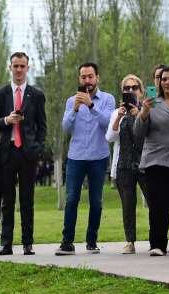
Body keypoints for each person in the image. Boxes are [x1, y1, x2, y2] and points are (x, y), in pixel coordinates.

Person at [0, 52, 47, 256]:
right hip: (7, 152)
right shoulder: (1, 94)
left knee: (27, 200)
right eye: (16, 66)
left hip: (28, 154)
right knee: (7, 200)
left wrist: (38, 148)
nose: (19, 70)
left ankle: (27, 243)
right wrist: (6, 120)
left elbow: (42, 126)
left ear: (28, 68)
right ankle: (6, 243)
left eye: (22, 66)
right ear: (10, 67)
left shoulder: (36, 95)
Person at [56, 62, 116, 255]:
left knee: (96, 201)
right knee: (72, 199)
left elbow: (108, 124)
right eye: (83, 77)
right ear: (79, 79)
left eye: (90, 76)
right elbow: (65, 128)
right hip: (76, 157)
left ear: (97, 77)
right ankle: (67, 242)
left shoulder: (107, 99)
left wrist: (91, 105)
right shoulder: (70, 101)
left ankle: (92, 240)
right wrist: (74, 109)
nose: (87, 80)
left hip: (99, 156)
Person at [133, 65, 169, 256]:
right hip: (157, 161)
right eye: (163, 79)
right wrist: (144, 112)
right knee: (159, 205)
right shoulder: (152, 102)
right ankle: (158, 244)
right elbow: (138, 133)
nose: (166, 82)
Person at [106, 74, 149, 254]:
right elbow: (110, 137)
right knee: (127, 205)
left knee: (154, 202)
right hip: (123, 164)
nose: (130, 91)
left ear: (141, 91)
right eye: (127, 88)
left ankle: (156, 239)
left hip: (144, 163)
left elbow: (149, 135)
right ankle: (130, 241)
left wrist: (139, 115)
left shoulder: (147, 110)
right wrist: (119, 118)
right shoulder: (117, 112)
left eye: (134, 88)